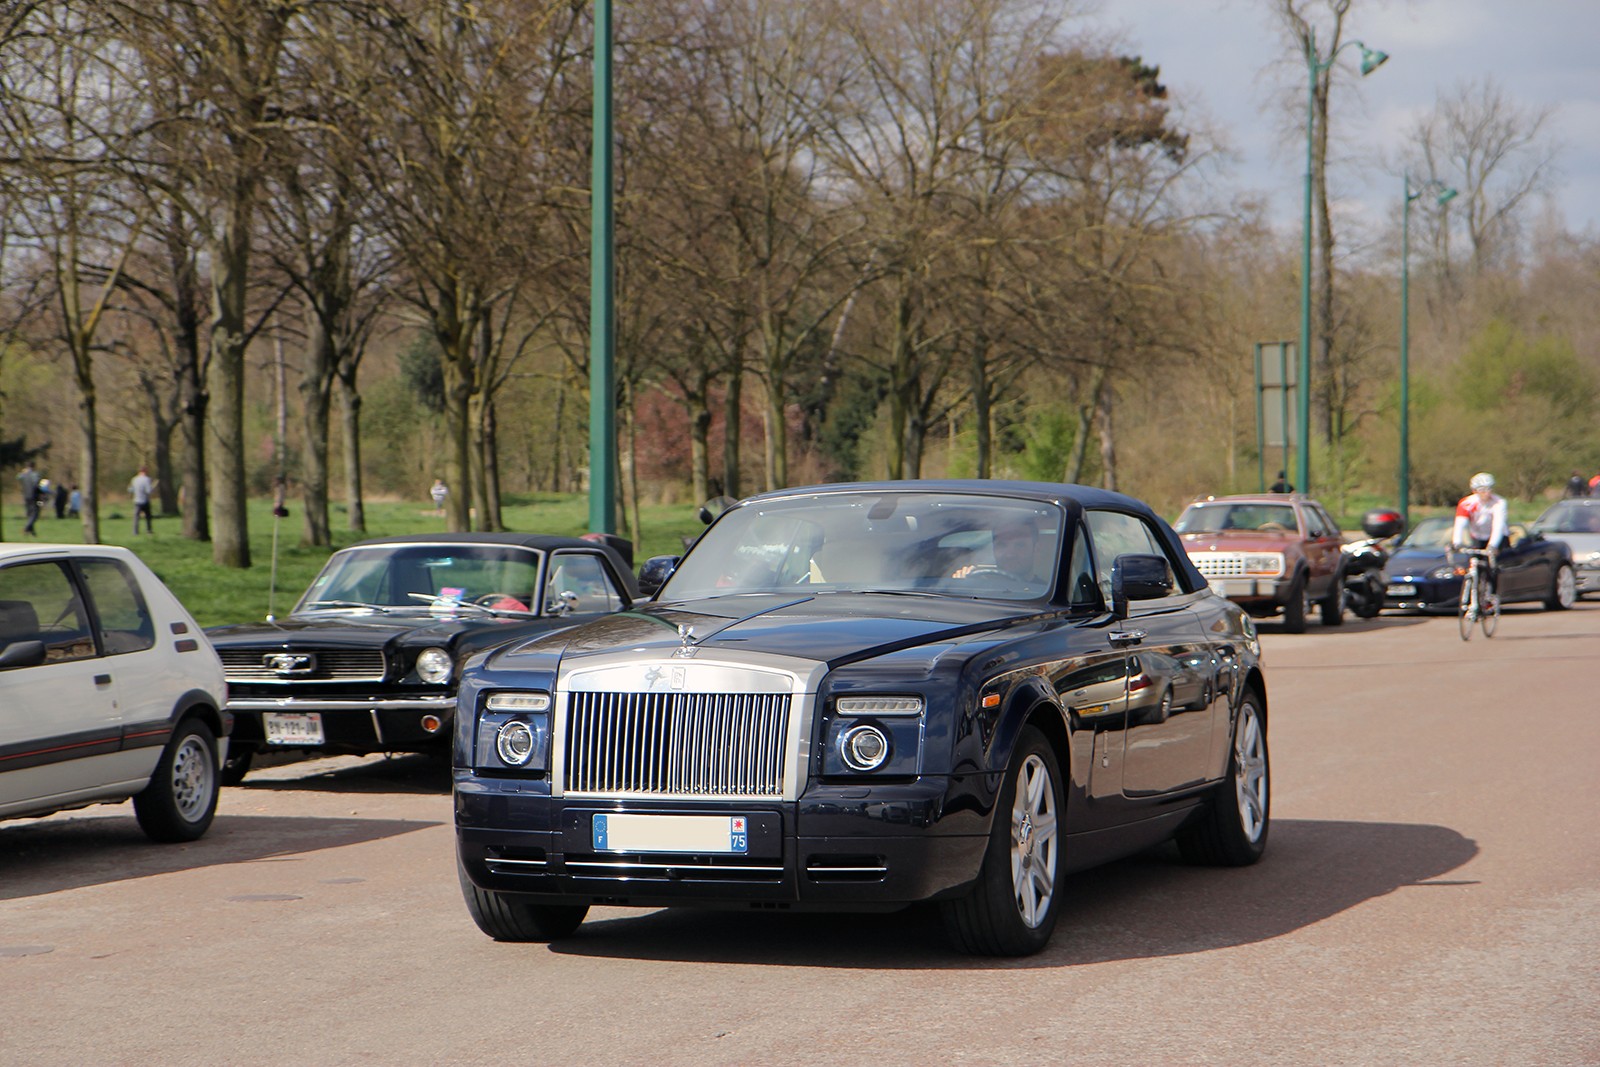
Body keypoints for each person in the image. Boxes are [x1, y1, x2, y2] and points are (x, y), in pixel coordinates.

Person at [1451, 471, 1508, 599]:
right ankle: (1474, 597)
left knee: (1491, 565)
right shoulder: (1466, 503)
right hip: (1477, 536)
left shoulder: (1499, 503)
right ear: (1474, 490)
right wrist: (1456, 542)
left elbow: (1498, 526)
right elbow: (1460, 524)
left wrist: (1493, 545)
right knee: (1474, 564)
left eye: (1489, 489)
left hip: (1497, 537)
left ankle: (1491, 595)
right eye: (1482, 490)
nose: (1486, 493)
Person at [953, 515, 1047, 588]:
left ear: (1036, 549)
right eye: (1002, 545)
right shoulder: (977, 588)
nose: (1010, 554)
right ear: (993, 548)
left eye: (1020, 545)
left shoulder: (1046, 593)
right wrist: (959, 584)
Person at [130, 466, 155, 534]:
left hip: (137, 500)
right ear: (145, 471)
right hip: (145, 500)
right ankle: (149, 530)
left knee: (136, 517)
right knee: (148, 517)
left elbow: (131, 490)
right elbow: (148, 491)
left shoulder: (134, 479)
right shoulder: (147, 479)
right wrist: (153, 488)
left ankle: (135, 531)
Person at [17, 464, 41, 537]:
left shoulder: (24, 474)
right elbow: (37, 482)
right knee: (35, 514)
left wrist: (24, 472)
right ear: (33, 467)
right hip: (33, 496)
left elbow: (18, 477)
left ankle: (32, 533)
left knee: (30, 514)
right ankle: (26, 528)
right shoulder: (35, 474)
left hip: (26, 496)